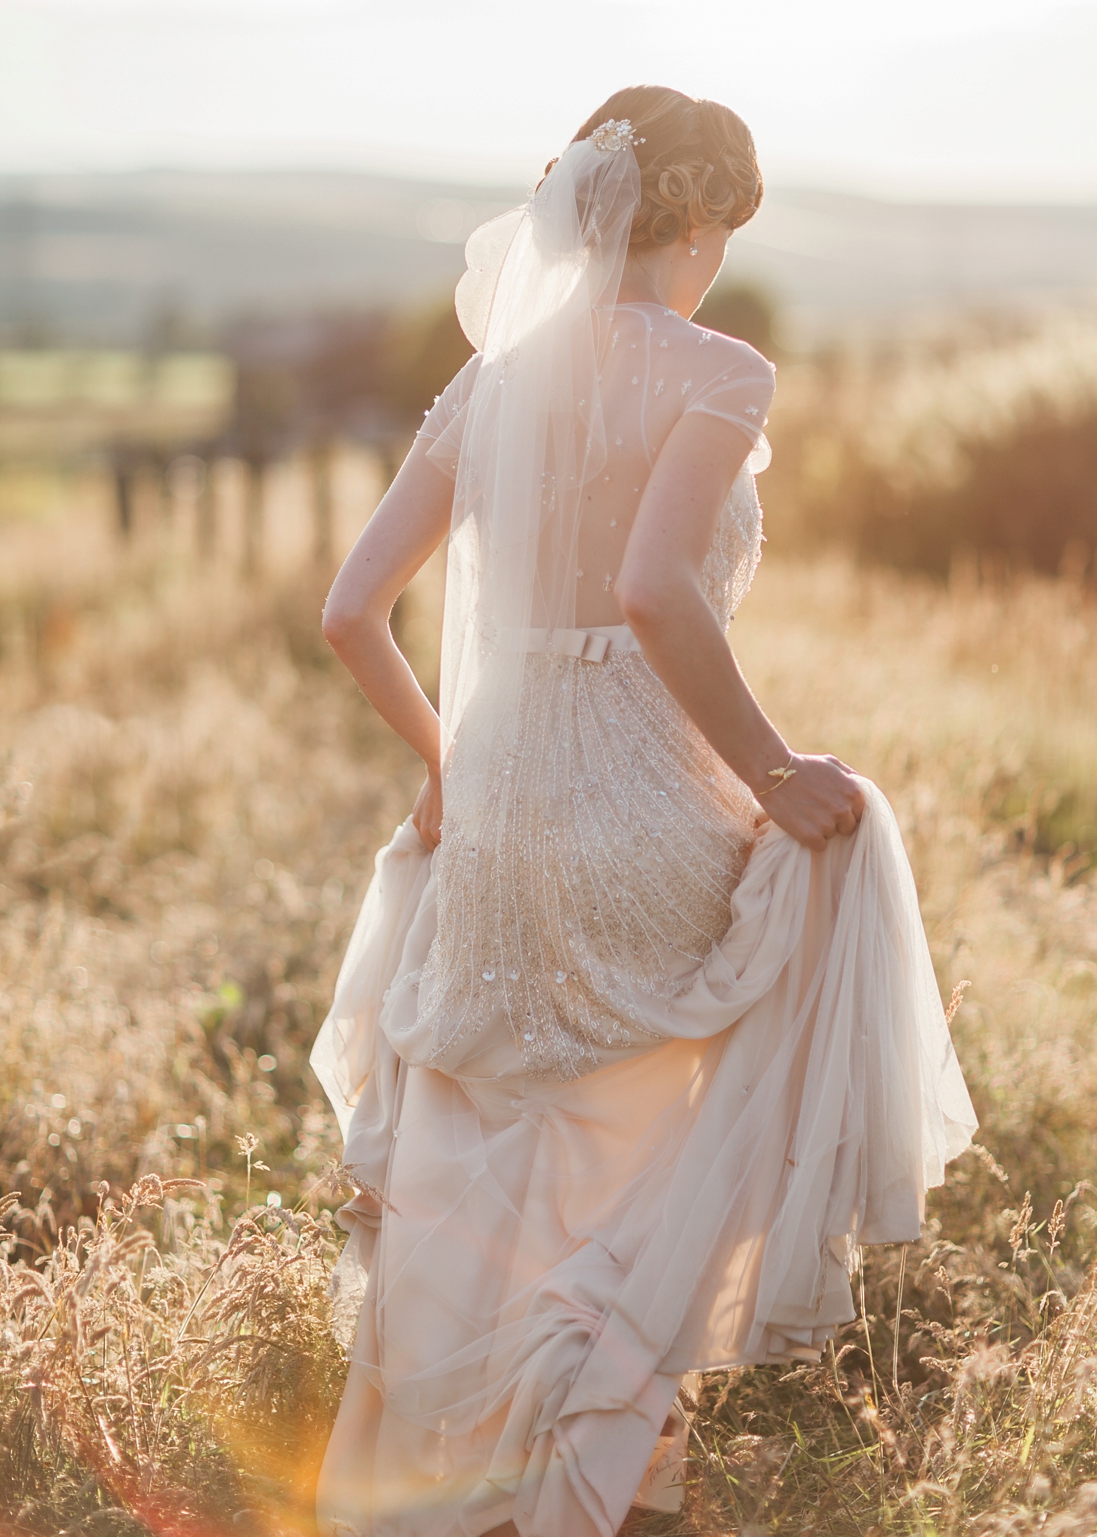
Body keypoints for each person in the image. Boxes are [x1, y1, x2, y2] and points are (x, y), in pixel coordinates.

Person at [312, 85, 976, 1537]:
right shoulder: (718, 372)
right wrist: (780, 768)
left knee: (507, 1129)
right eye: (728, 230)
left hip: (495, 805)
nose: (725, 260)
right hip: (638, 793)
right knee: (681, 1102)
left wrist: (441, 765)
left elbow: (353, 611)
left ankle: (482, 1474)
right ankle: (615, 1468)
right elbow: (654, 591)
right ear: (697, 221)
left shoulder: (492, 386)